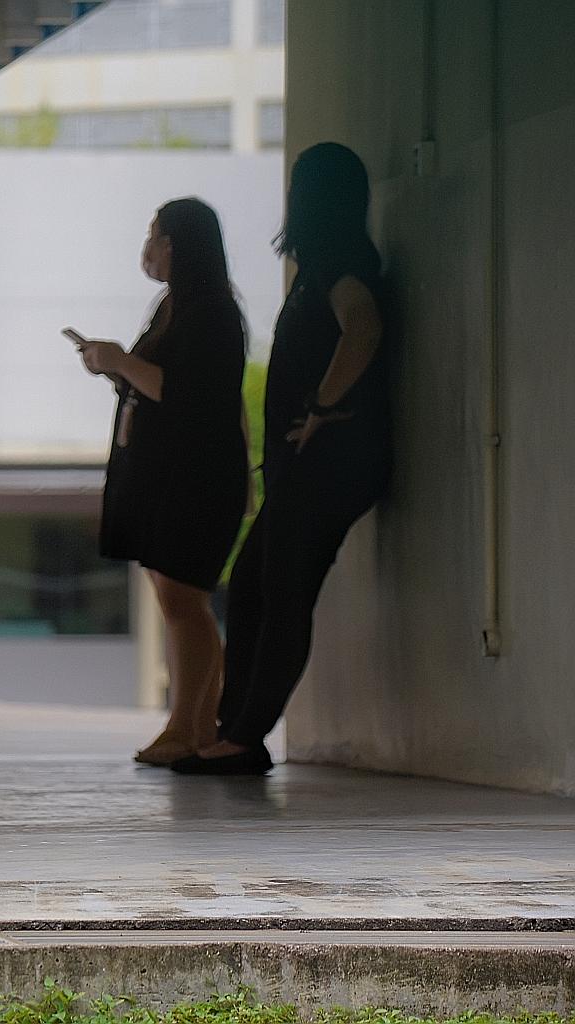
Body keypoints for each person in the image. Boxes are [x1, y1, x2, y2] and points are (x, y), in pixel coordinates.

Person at [174, 143, 389, 776]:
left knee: (283, 593)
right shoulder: (321, 266)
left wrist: (322, 404)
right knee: (250, 586)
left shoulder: (341, 266)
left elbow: (364, 326)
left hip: (329, 464)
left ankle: (244, 738)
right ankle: (234, 730)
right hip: (308, 467)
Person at [70, 199, 249, 767]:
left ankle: (190, 725)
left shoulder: (212, 312)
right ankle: (195, 725)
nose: (147, 248)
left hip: (197, 479)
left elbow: (188, 393)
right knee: (179, 600)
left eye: (155, 236)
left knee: (184, 599)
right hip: (167, 477)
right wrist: (114, 366)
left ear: (175, 245)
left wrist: (121, 361)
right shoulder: (175, 306)